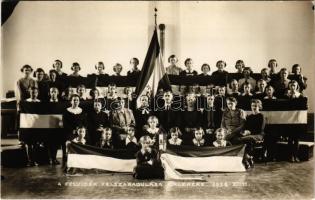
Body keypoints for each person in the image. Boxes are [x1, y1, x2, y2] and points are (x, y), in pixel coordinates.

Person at [62, 94, 87, 161]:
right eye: (74, 100)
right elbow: (65, 124)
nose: (76, 101)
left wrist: (81, 130)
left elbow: (84, 123)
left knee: (87, 139)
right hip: (70, 131)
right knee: (69, 141)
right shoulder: (66, 111)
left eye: (77, 100)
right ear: (71, 101)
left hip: (81, 131)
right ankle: (68, 160)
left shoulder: (82, 111)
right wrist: (73, 130)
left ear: (79, 102)